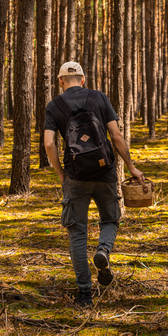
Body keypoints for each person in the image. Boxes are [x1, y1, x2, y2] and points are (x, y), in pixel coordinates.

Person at [44, 61, 145, 306]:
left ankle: (84, 295)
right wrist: (131, 167)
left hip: (75, 176)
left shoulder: (54, 105)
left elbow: (49, 144)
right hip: (105, 172)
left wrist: (61, 174)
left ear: (60, 81)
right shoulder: (99, 98)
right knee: (110, 219)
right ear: (83, 79)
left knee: (77, 233)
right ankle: (103, 251)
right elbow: (116, 136)